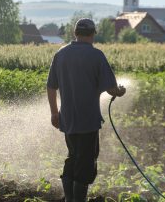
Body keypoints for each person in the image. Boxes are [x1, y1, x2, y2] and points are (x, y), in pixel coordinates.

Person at [47, 18, 126, 202]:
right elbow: (112, 90)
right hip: (88, 121)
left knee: (73, 156)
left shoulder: (61, 54)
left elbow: (51, 87)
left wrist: (54, 113)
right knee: (86, 162)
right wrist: (120, 91)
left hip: (67, 119)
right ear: (92, 34)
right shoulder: (96, 55)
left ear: (75, 33)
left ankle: (69, 198)